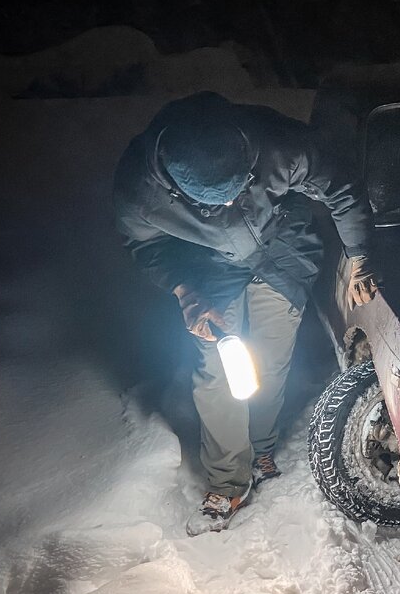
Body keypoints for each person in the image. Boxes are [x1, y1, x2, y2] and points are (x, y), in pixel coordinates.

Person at [113, 91, 377, 534]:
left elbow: (342, 187)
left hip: (286, 249)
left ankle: (262, 445)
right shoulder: (140, 192)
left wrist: (360, 254)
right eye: (214, 203)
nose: (230, 206)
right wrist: (185, 290)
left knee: (271, 356)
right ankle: (228, 479)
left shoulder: (277, 142)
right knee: (218, 370)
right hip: (210, 267)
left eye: (240, 190)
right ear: (176, 187)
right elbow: (145, 246)